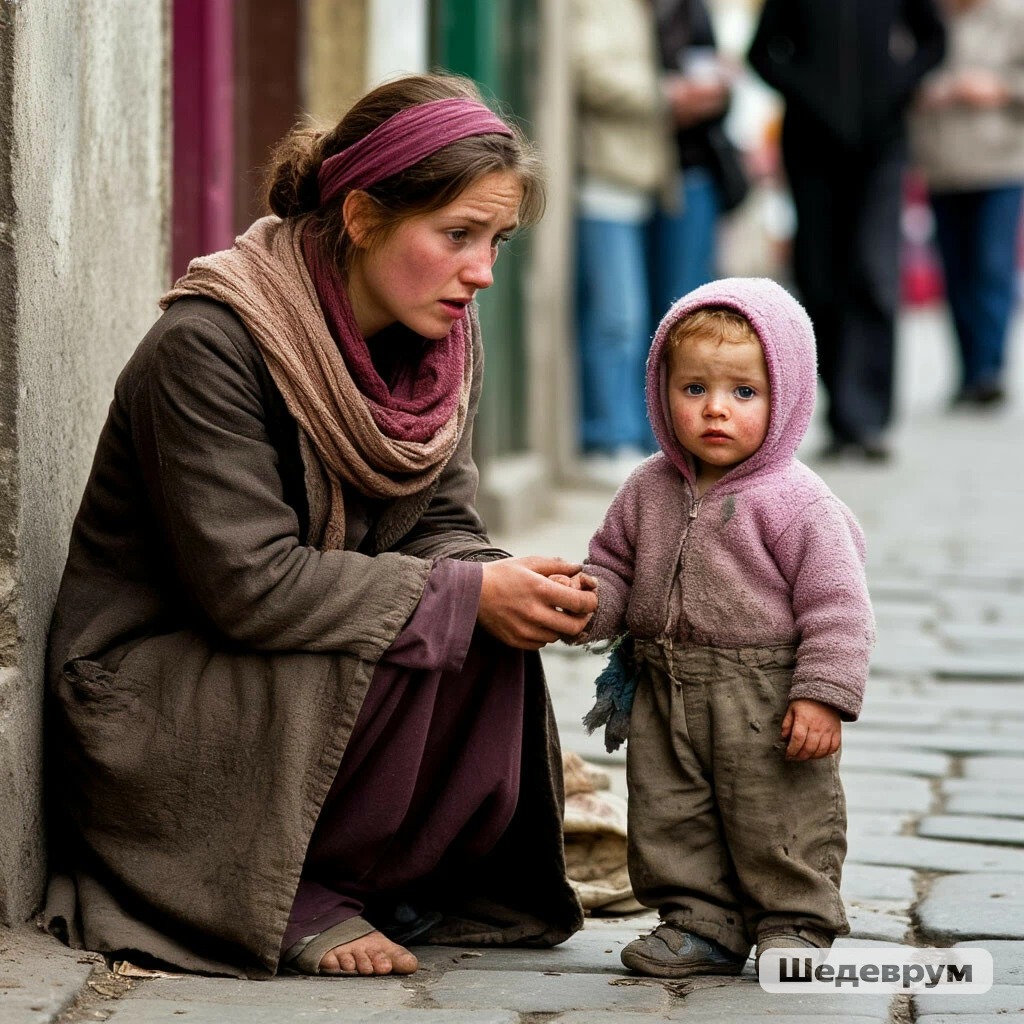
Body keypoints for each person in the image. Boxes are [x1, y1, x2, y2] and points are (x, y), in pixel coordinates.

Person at [43, 73, 598, 980]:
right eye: (456, 235)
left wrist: (516, 584)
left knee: (479, 623)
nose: (482, 272)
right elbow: (248, 586)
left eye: (495, 241)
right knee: (440, 611)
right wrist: (463, 592)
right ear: (364, 217)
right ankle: (288, 888)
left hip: (281, 656)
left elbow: (444, 528)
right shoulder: (210, 344)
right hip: (157, 689)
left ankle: (381, 874)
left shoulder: (438, 344)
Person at [559, 278, 875, 976]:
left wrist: (822, 693)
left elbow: (840, 607)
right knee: (672, 813)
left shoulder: (797, 503)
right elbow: (613, 565)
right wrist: (589, 601)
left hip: (765, 697)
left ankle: (795, 924)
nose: (715, 411)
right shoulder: (648, 488)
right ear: (660, 389)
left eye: (743, 393)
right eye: (694, 388)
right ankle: (699, 920)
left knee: (779, 818)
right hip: (666, 684)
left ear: (786, 397)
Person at [748, 0, 946, 461]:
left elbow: (933, 41)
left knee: (874, 270)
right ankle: (840, 414)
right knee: (820, 279)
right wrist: (808, 92)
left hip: (881, 146)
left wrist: (895, 85)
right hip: (811, 150)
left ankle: (869, 418)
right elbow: (762, 54)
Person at [569, 0, 676, 478]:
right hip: (604, 175)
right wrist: (664, 93)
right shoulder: (596, 7)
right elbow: (590, 74)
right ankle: (606, 437)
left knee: (630, 316)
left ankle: (624, 433)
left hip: (637, 177)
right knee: (617, 316)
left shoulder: (636, 10)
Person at [910, 0, 1024, 407]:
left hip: (1000, 165)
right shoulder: (926, 16)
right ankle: (968, 371)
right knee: (955, 272)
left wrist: (998, 88)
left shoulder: (1013, 16)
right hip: (941, 167)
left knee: (991, 266)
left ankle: (988, 369)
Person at [649, 0, 744, 315]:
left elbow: (717, 92)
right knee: (644, 302)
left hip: (690, 168)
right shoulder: (627, 12)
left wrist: (709, 95)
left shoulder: (692, 11)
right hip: (638, 171)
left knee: (684, 298)